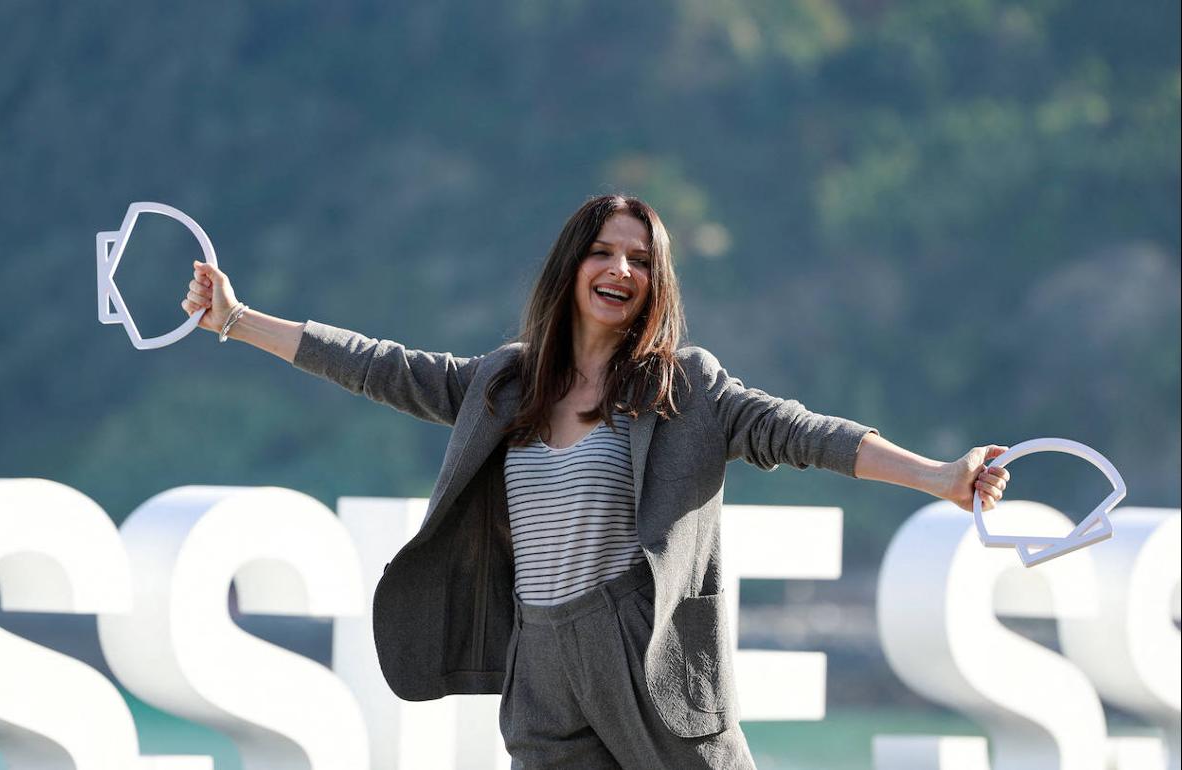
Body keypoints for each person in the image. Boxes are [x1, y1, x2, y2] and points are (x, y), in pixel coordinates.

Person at [181, 194, 1010, 769]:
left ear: (657, 281)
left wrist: (939, 477)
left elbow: (799, 433)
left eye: (640, 260)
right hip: (537, 654)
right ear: (571, 265)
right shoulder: (505, 384)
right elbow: (383, 368)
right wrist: (235, 320)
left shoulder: (685, 387)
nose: (620, 269)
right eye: (604, 252)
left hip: (640, 650)